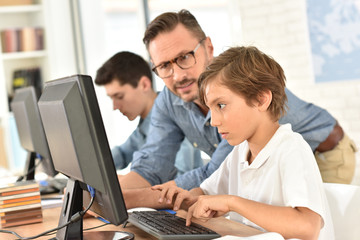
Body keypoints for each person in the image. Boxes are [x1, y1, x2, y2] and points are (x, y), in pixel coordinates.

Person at [120, 9, 356, 208]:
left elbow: (212, 175)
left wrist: (133, 199)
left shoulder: (240, 84)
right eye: (164, 66)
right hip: (265, 167)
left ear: (208, 47)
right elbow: (152, 166)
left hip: (322, 153)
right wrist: (106, 195)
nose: (178, 75)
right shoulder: (169, 101)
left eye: (184, 57)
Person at [152, 46, 334, 240]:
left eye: (221, 105)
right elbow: (207, 191)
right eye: (211, 108)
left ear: (261, 99)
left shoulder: (291, 149)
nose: (213, 121)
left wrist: (233, 203)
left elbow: (307, 227)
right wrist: (190, 198)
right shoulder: (240, 152)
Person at [94, 51, 203, 176]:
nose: (115, 106)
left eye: (119, 96)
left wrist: (128, 183)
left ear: (144, 85)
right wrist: (92, 165)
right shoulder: (144, 125)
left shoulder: (175, 116)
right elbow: (122, 154)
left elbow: (181, 177)